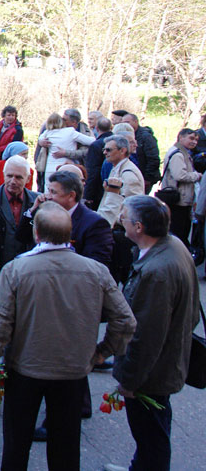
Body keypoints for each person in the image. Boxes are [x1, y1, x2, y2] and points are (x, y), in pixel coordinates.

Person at [0, 203, 135, 471]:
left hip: (25, 369)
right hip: (73, 371)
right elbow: (125, 321)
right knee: (66, 447)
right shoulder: (95, 271)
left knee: (16, 445)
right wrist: (101, 352)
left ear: (37, 233)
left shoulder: (16, 270)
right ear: (70, 234)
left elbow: (0, 324)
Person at [104, 196, 200, 471]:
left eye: (124, 216)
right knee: (153, 433)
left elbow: (145, 336)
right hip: (163, 366)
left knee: (151, 435)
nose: (120, 218)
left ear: (138, 227)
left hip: (151, 375)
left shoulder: (157, 272)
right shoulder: (172, 246)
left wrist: (130, 381)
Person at [0, 156, 40, 266]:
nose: (13, 181)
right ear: (3, 174)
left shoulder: (39, 202)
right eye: (9, 176)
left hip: (29, 267)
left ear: (28, 179)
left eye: (19, 177)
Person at [159, 128, 201, 247]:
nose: (194, 142)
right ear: (181, 137)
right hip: (179, 199)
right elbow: (180, 175)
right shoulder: (178, 154)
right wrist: (197, 175)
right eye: (191, 138)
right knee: (179, 232)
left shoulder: (183, 152)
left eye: (196, 140)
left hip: (180, 197)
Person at [96, 135, 145, 228]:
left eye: (108, 150)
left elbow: (133, 207)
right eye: (104, 149)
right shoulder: (117, 168)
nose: (105, 153)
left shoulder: (128, 174)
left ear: (122, 150)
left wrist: (117, 221)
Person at [36, 112, 96, 188]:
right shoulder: (70, 132)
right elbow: (91, 141)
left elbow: (40, 139)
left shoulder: (47, 132)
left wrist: (41, 142)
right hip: (66, 167)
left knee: (49, 190)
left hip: (49, 168)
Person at [123, 114, 161, 194]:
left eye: (127, 122)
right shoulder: (128, 136)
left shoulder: (146, 137)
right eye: (123, 123)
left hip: (144, 177)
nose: (125, 125)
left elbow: (153, 158)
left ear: (135, 122)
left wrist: (147, 179)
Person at [83, 116, 115, 209]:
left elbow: (92, 171)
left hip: (99, 188)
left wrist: (88, 194)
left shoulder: (96, 145)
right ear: (111, 127)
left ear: (96, 128)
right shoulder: (116, 142)